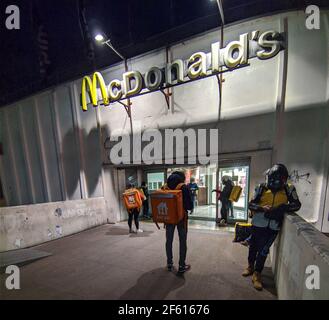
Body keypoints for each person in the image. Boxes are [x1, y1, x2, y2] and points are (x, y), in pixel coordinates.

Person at [242, 164, 301, 290]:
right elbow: (251, 205)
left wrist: (282, 208)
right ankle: (250, 266)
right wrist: (262, 208)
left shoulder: (288, 189)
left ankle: (257, 274)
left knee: (264, 250)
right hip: (258, 224)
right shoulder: (261, 188)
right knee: (253, 247)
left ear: (283, 180)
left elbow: (297, 205)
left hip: (274, 226)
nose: (271, 182)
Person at [165, 171, 193, 273]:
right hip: (181, 218)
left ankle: (169, 263)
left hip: (169, 218)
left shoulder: (166, 186)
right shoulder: (184, 187)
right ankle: (181, 265)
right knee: (182, 241)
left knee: (169, 240)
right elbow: (189, 205)